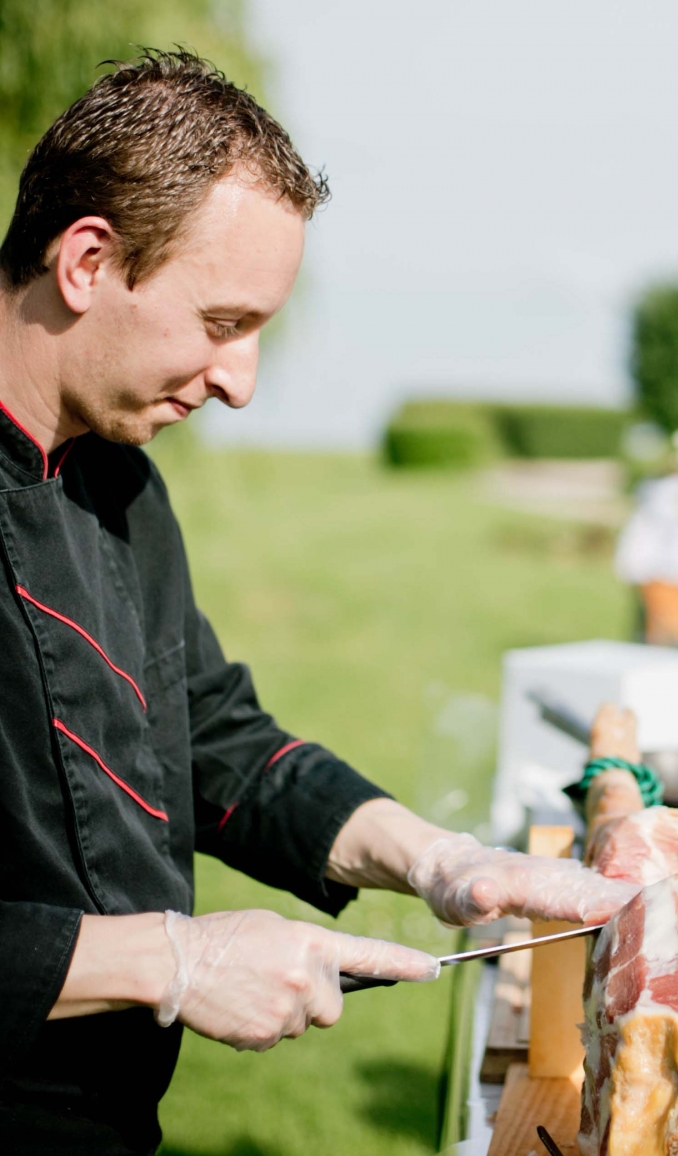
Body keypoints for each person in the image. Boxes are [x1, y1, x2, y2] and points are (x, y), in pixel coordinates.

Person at [0, 52, 635, 1154]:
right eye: (222, 322)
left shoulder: (120, 480)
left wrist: (439, 860)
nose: (242, 380)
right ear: (89, 260)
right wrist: (175, 958)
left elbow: (218, 745)